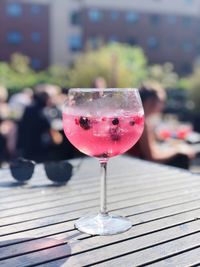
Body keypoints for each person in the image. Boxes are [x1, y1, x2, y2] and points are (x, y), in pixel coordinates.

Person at [128, 83, 195, 169]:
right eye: (161, 101)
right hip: (140, 167)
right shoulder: (142, 123)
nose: (163, 105)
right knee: (182, 157)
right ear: (150, 102)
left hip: (134, 163)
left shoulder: (137, 119)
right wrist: (177, 151)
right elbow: (152, 158)